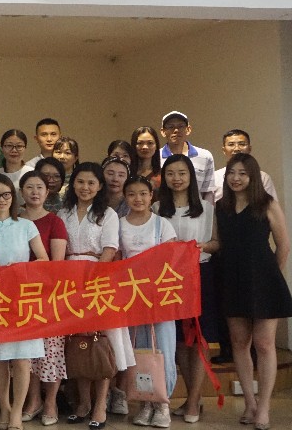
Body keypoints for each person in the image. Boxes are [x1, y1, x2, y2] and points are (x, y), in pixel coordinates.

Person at [215, 154, 291, 430]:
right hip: (232, 280)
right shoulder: (220, 207)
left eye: (242, 173)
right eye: (232, 173)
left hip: (264, 281)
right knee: (239, 343)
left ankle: (264, 407)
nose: (236, 178)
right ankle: (250, 403)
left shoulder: (267, 204)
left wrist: (270, 277)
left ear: (253, 176)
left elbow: (283, 245)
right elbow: (217, 242)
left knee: (265, 344)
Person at [59, 162, 134, 429]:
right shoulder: (63, 213)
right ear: (73, 184)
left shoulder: (108, 214)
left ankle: (100, 404)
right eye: (80, 181)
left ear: (100, 186)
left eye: (91, 182)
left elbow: (110, 249)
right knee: (78, 342)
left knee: (102, 343)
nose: (85, 187)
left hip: (98, 283)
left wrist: (92, 282)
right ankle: (83, 402)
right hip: (69, 282)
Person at [0, 174, 49, 430]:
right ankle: (4, 408)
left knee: (22, 358)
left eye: (6, 194)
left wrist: (21, 268)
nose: (1, 199)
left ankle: (17, 411)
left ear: (13, 197)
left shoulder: (26, 225)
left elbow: (43, 260)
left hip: (22, 297)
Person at [155, 155, 218, 424]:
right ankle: (192, 397)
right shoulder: (157, 207)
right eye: (170, 173)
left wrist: (199, 247)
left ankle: (193, 400)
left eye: (182, 173)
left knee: (199, 337)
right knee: (180, 338)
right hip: (169, 278)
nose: (176, 178)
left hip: (199, 274)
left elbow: (216, 242)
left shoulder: (206, 208)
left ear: (191, 176)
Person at [118, 176, 178, 428]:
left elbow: (172, 260)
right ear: (125, 197)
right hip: (131, 295)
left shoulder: (162, 224)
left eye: (143, 193)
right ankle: (144, 402)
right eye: (132, 194)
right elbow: (117, 259)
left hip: (158, 295)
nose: (138, 199)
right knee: (137, 347)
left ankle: (163, 403)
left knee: (162, 346)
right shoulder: (119, 224)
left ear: (151, 195)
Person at [16, 171, 68, 427]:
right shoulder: (13, 220)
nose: (34, 192)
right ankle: (33, 400)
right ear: (21, 192)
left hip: (48, 294)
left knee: (50, 351)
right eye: (29, 187)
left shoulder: (54, 221)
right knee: (28, 352)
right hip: (18, 295)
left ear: (48, 192)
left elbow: (56, 264)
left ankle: (50, 402)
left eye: (40, 187)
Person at [159, 111, 214, 200]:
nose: (176, 130)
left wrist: (208, 209)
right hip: (164, 208)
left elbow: (208, 191)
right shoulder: (156, 157)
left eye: (181, 126)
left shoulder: (205, 156)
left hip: (198, 208)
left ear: (188, 129)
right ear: (163, 132)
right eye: (170, 127)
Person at [213, 129, 278, 203]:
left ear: (249, 149)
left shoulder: (262, 177)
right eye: (231, 144)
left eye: (242, 144)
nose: (237, 148)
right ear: (224, 150)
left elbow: (271, 206)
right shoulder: (214, 177)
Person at [131, 126, 162, 192]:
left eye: (150, 143)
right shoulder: (126, 173)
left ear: (156, 146)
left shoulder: (163, 175)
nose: (145, 147)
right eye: (140, 143)